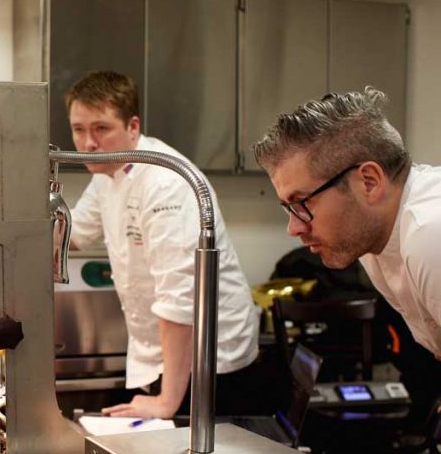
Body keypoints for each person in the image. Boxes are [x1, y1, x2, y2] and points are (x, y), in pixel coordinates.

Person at [64, 71, 270, 419]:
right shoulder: (107, 175)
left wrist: (166, 402)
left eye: (101, 128)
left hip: (212, 362)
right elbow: (74, 234)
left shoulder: (165, 183)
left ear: (132, 126)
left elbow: (180, 300)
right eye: (79, 129)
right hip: (159, 357)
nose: (88, 143)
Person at [253, 87, 441, 363]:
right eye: (289, 209)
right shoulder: (373, 239)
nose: (294, 228)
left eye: (303, 203)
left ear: (369, 182)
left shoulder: (429, 232)